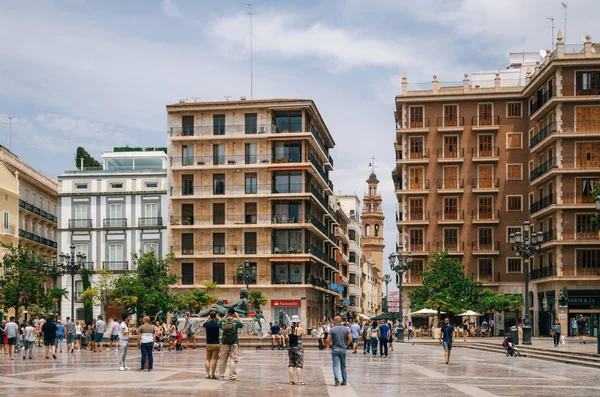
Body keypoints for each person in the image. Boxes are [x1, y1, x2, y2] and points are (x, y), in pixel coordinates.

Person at [218, 307, 244, 381]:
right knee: (233, 359)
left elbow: (218, 324)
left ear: (227, 313)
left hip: (224, 342)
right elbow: (242, 325)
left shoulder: (223, 321)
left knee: (222, 360)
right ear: (234, 313)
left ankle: (221, 376)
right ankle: (232, 377)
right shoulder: (236, 321)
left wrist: (225, 316)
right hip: (234, 342)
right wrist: (238, 317)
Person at [326, 316, 352, 386]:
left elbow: (327, 340)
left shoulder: (332, 329)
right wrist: (346, 344)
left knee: (335, 365)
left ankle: (337, 381)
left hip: (335, 348)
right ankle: (344, 381)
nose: (333, 322)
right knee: (343, 366)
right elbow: (350, 339)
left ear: (336, 321)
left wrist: (331, 345)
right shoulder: (346, 329)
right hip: (343, 349)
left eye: (334, 320)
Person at [287, 315, 306, 385]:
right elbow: (305, 334)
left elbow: (287, 335)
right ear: (298, 322)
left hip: (290, 348)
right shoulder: (300, 328)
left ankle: (291, 381)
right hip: (298, 348)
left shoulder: (288, 328)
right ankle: (300, 381)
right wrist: (299, 326)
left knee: (291, 364)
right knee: (298, 365)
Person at [202, 310, 221, 379]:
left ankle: (207, 374)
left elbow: (201, 325)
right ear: (215, 316)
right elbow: (222, 323)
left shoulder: (207, 324)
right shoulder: (217, 324)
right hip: (216, 344)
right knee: (214, 360)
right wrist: (218, 318)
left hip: (208, 343)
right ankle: (213, 374)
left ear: (209, 316)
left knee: (207, 359)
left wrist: (207, 319)